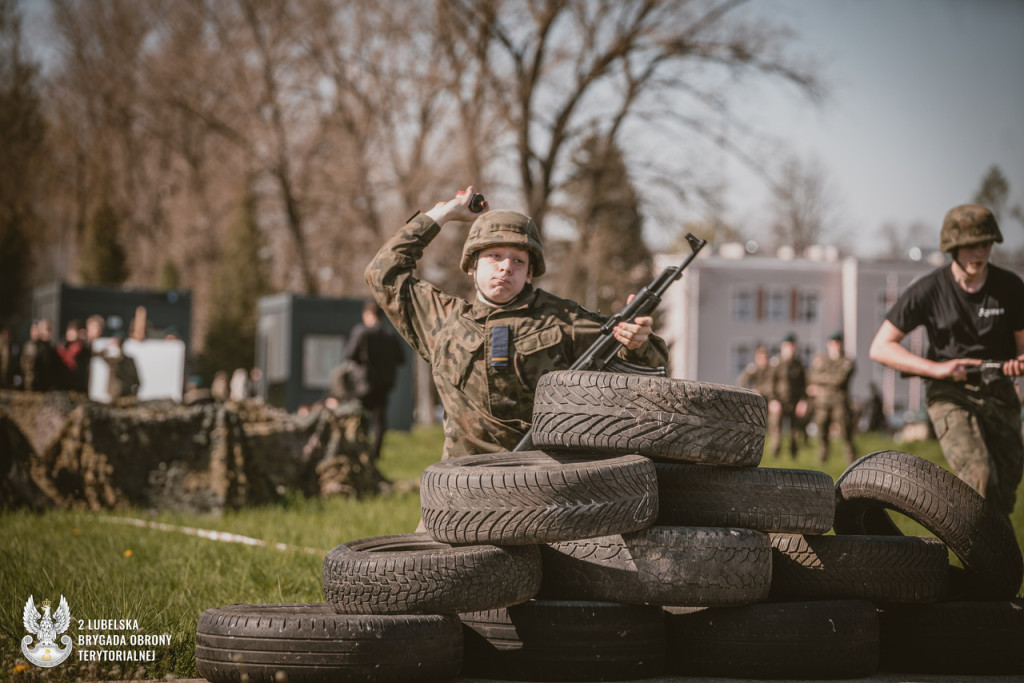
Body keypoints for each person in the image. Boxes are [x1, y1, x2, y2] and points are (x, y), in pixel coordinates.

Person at [365, 186, 668, 461]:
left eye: (518, 261)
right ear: (472, 265)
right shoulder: (441, 319)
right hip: (458, 489)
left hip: (541, 485)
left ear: (530, 273)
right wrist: (443, 214)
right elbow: (383, 273)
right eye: (494, 256)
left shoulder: (563, 320)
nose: (506, 267)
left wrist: (638, 342)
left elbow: (647, 370)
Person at [869, 204, 1024, 516]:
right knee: (979, 476)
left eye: (985, 244)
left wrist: (1017, 362)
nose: (979, 253)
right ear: (953, 247)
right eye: (970, 246)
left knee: (1005, 489)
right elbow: (881, 347)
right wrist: (937, 369)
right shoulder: (928, 290)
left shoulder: (1010, 287)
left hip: (998, 389)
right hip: (950, 392)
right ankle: (978, 560)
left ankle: (997, 562)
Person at [344, 299, 407, 461]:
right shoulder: (390, 334)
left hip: (363, 384)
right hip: (384, 384)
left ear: (367, 314)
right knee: (379, 420)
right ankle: (375, 453)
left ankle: (361, 450)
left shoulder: (361, 332)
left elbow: (350, 354)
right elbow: (401, 358)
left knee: (360, 417)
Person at [807, 331, 857, 463]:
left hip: (839, 401)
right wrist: (826, 379)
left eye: (837, 343)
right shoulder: (822, 360)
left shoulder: (846, 361)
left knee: (845, 430)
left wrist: (822, 380)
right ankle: (823, 456)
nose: (835, 346)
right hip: (822, 402)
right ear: (828, 345)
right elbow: (812, 376)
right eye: (832, 343)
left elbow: (839, 379)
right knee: (822, 428)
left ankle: (851, 457)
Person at [767, 332, 808, 459]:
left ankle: (794, 455)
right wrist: (773, 401)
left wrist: (803, 401)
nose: (789, 349)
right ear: (782, 347)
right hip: (779, 401)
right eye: (787, 346)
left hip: (794, 401)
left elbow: (804, 384)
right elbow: (770, 383)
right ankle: (775, 453)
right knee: (776, 429)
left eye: (792, 346)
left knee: (795, 432)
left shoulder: (799, 364)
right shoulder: (776, 363)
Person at [102, 332, 141, 401]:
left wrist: (134, 392)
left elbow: (137, 379)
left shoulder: (129, 360)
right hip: (114, 395)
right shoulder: (112, 360)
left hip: (128, 395)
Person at [57, 319, 92, 393]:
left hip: (79, 386)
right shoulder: (61, 348)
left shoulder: (84, 349)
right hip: (63, 386)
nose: (70, 333)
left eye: (73, 331)